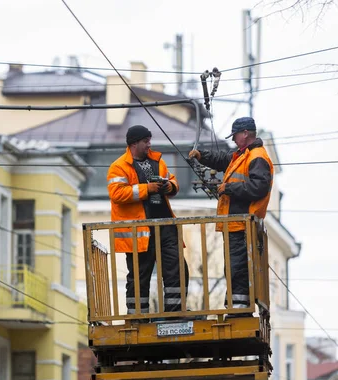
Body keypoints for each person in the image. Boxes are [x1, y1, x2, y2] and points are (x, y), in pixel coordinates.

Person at [188, 117, 273, 316]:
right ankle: (236, 305)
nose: (233, 139)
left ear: (245, 133)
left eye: (235, 135)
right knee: (233, 266)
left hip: (244, 221)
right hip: (236, 222)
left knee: (238, 266)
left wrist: (229, 188)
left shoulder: (257, 157)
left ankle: (239, 309)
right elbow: (222, 160)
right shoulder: (243, 155)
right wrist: (202, 155)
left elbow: (258, 187)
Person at [107, 124, 189, 317]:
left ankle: (174, 313)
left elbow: (172, 180)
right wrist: (147, 189)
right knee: (138, 276)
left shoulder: (158, 161)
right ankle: (137, 317)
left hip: (165, 226)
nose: (149, 144)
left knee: (176, 270)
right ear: (134, 143)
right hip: (139, 231)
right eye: (146, 141)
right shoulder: (118, 167)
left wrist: (170, 186)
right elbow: (117, 193)